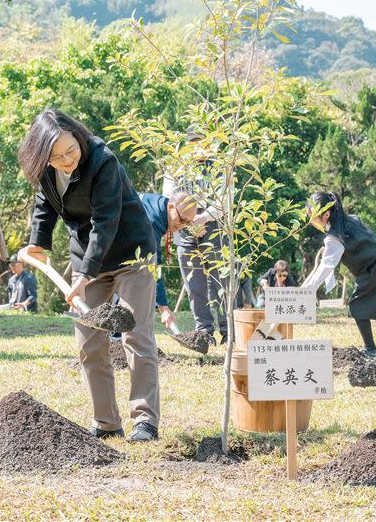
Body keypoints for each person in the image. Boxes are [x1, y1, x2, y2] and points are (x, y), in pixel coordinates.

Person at [18, 109, 160, 442]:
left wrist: (84, 275)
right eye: (57, 157)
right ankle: (106, 422)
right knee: (89, 341)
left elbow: (105, 222)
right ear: (42, 157)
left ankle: (145, 421)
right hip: (88, 257)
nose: (67, 160)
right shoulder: (46, 169)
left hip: (132, 253)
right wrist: (38, 242)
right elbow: (44, 203)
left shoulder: (103, 161)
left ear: (79, 138)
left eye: (71, 151)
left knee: (134, 334)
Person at [303, 193, 376, 359]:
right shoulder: (349, 220)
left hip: (374, 264)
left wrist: (307, 290)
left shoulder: (334, 237)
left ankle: (370, 349)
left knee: (357, 304)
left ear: (326, 214)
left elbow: (326, 266)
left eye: (313, 216)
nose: (311, 220)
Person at [162, 127, 228, 344]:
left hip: (213, 226)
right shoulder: (175, 165)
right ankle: (204, 330)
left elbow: (225, 200)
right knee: (194, 283)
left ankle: (229, 331)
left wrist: (203, 218)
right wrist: (187, 222)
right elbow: (167, 197)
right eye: (194, 142)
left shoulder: (220, 165)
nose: (199, 147)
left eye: (203, 142)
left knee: (222, 279)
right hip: (184, 228)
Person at [138, 190, 198, 330]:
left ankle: (116, 339)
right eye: (182, 220)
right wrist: (163, 308)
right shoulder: (153, 221)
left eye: (188, 223)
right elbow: (153, 265)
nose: (183, 226)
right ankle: (116, 340)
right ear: (171, 208)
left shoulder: (160, 205)